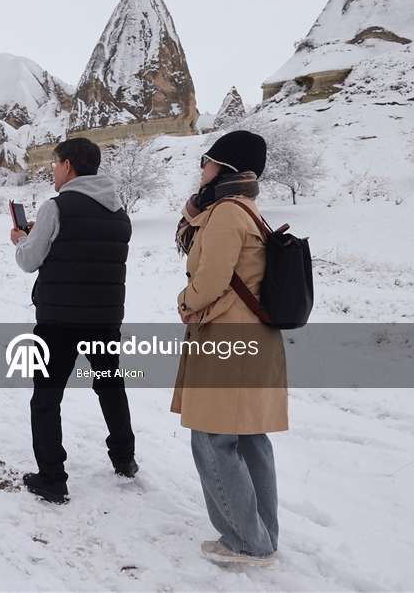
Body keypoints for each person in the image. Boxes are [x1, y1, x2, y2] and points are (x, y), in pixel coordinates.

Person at [173, 130, 287, 567]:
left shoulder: (225, 213)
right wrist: (195, 205)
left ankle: (246, 543)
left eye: (207, 159)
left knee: (213, 437)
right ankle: (262, 537)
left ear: (225, 166)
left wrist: (185, 303)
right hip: (251, 339)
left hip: (227, 341)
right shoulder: (245, 209)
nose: (201, 166)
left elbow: (212, 279)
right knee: (250, 438)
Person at [10, 137, 137, 504]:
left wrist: (22, 239)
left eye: (55, 164)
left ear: (67, 166)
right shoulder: (118, 211)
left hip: (59, 322)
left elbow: (29, 260)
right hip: (106, 320)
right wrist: (45, 233)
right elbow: (85, 248)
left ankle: (51, 478)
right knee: (110, 387)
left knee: (46, 400)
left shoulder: (57, 206)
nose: (53, 171)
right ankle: (125, 460)